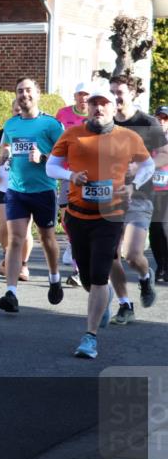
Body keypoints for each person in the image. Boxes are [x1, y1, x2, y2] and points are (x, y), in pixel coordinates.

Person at [46, 81, 153, 358]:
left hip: (110, 216)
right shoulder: (72, 134)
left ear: (112, 107)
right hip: (77, 216)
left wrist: (133, 185)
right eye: (94, 103)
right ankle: (103, 298)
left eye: (104, 103)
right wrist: (70, 176)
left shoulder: (128, 137)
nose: (98, 108)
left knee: (99, 275)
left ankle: (89, 337)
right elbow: (51, 166)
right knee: (86, 277)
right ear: (88, 107)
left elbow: (148, 164)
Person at [0, 77, 65, 313]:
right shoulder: (11, 124)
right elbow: (6, 145)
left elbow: (65, 155)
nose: (23, 95)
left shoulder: (51, 125)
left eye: (28, 90)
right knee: (15, 239)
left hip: (44, 190)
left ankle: (54, 278)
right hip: (17, 190)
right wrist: (4, 154)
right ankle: (11, 293)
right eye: (19, 91)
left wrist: (43, 157)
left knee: (47, 239)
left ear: (37, 94)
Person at [106, 75, 168, 323]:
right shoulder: (106, 121)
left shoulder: (147, 122)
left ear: (132, 94)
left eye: (119, 92)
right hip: (109, 197)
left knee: (132, 254)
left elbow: (165, 154)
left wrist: (142, 166)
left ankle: (145, 277)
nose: (115, 97)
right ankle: (125, 304)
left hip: (140, 195)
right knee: (110, 254)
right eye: (112, 92)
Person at [0, 99, 34, 280]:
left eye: (22, 110)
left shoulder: (35, 132)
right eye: (16, 110)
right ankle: (7, 258)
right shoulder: (4, 132)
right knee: (5, 226)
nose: (19, 113)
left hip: (28, 187)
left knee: (25, 230)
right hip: (4, 186)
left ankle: (23, 265)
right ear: (12, 111)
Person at [56, 82, 91, 286]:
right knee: (66, 219)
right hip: (67, 174)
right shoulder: (63, 114)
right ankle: (73, 243)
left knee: (86, 219)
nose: (83, 98)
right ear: (75, 96)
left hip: (91, 175)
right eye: (80, 94)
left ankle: (80, 268)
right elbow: (55, 140)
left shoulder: (98, 116)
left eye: (86, 95)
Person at [151, 105, 168, 283]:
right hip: (151, 191)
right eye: (159, 118)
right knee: (154, 230)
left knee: (164, 227)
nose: (162, 122)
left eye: (165, 119)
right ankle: (160, 266)